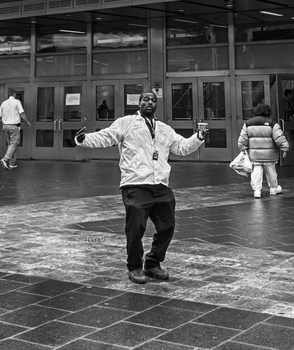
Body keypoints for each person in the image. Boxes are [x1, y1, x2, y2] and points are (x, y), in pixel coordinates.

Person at [74, 90, 207, 284]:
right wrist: (83, 139)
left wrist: (199, 137)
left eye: (153, 100)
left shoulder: (164, 129)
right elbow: (106, 137)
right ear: (139, 103)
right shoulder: (126, 123)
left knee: (167, 226)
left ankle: (153, 263)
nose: (150, 103)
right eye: (146, 99)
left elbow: (183, 147)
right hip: (135, 184)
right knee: (136, 228)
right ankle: (134, 267)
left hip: (160, 184)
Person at [238, 104, 290, 198]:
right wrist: (284, 148)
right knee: (271, 172)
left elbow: (242, 140)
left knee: (256, 172)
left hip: (255, 155)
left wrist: (243, 148)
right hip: (270, 155)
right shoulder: (272, 123)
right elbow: (279, 137)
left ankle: (257, 191)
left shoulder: (248, 123)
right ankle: (273, 189)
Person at [0, 92, 26, 170]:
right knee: (14, 143)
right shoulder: (17, 102)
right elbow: (22, 113)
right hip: (14, 126)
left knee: (11, 145)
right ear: (14, 94)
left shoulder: (3, 103)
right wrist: (28, 122)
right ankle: (5, 159)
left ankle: (12, 163)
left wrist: (5, 120)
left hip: (5, 126)